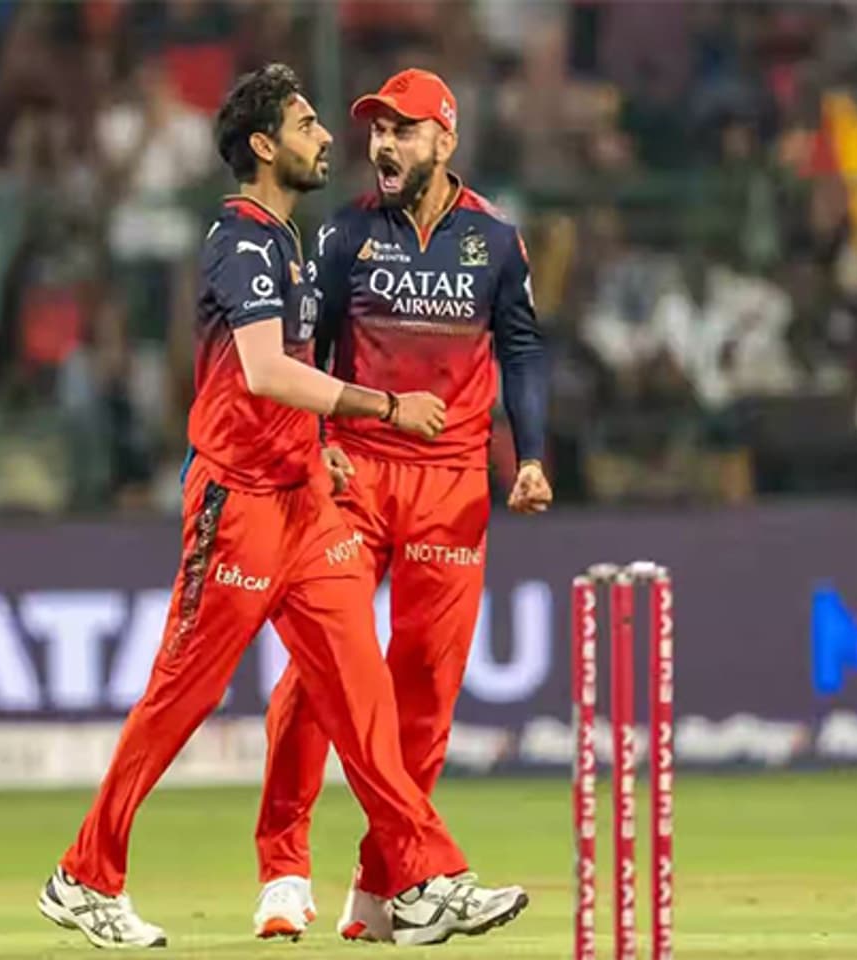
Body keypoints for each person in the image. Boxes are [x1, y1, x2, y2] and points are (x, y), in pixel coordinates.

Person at [38, 63, 528, 949]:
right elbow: (264, 372)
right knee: (180, 694)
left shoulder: (294, 240)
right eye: (308, 126)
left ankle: (421, 880)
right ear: (265, 147)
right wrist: (379, 411)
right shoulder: (243, 240)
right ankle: (83, 875)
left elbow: (287, 386)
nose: (330, 138)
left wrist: (321, 451)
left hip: (303, 501)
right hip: (239, 502)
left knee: (363, 692)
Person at [252, 68, 552, 942]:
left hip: (452, 485)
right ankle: (282, 868)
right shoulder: (344, 233)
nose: (383, 144)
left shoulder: (496, 240)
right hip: (353, 475)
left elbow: (524, 352)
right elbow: (311, 352)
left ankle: (384, 890)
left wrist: (529, 457)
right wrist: (321, 449)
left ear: (443, 142)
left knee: (424, 691)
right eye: (377, 129)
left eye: (403, 130)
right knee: (323, 674)